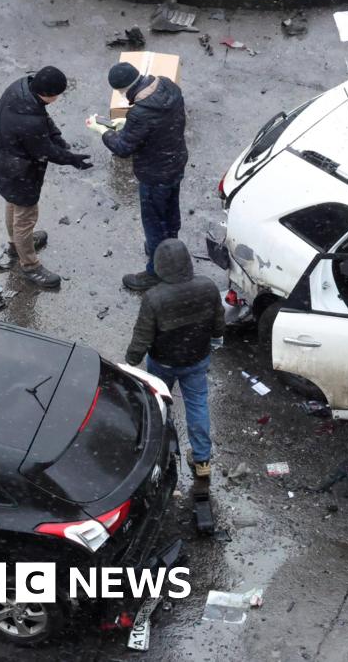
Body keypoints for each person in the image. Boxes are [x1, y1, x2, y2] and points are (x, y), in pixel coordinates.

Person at [125, 239, 224, 478]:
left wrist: (131, 360)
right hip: (196, 360)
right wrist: (215, 338)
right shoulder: (208, 287)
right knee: (197, 405)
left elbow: (143, 335)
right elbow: (218, 321)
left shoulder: (154, 298)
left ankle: (159, 453)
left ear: (159, 266)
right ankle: (202, 460)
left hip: (163, 363)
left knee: (158, 405)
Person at [87, 62, 188, 292]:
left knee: (153, 223)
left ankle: (156, 270)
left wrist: (104, 131)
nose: (122, 96)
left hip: (154, 173)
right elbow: (160, 124)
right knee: (171, 212)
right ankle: (172, 248)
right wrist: (127, 124)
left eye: (121, 92)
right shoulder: (168, 86)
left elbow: (123, 148)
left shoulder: (141, 113)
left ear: (125, 88)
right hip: (175, 163)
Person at [0, 66, 93, 288]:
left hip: (6, 164)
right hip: (23, 173)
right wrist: (72, 158)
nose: (57, 98)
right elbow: (45, 151)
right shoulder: (30, 122)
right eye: (57, 94)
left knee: (13, 204)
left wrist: (56, 136)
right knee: (25, 218)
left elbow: (43, 118)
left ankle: (14, 245)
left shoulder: (20, 88)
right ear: (49, 94)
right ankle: (29, 265)